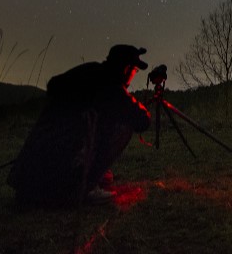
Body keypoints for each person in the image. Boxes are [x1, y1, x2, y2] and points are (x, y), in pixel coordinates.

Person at [8, 44, 152, 206]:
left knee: (92, 119)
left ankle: (81, 176)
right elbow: (141, 121)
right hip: (59, 184)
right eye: (134, 71)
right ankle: (85, 187)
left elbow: (53, 84)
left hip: (27, 180)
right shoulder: (112, 88)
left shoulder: (89, 71)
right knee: (122, 125)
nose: (133, 75)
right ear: (126, 69)